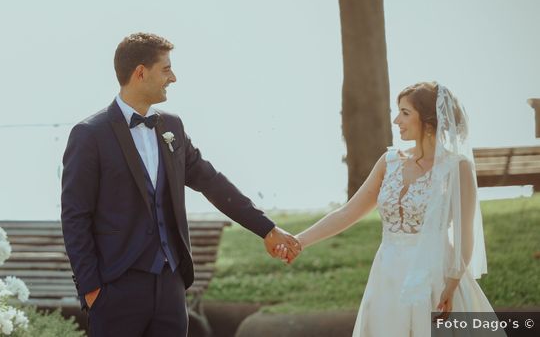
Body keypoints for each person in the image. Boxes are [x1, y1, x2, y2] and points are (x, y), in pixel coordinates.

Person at [60, 32, 300, 337]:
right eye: (166, 69)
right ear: (141, 72)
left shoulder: (171, 126)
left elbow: (211, 182)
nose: (173, 77)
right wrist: (91, 289)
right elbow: (74, 216)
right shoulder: (90, 134)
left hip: (170, 284)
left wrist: (266, 228)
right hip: (115, 288)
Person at [290, 82, 498, 336]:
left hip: (436, 276)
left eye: (405, 113)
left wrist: (452, 284)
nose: (396, 119)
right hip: (387, 276)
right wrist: (299, 241)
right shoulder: (388, 161)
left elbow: (466, 234)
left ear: (429, 121)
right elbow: (348, 212)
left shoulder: (457, 168)